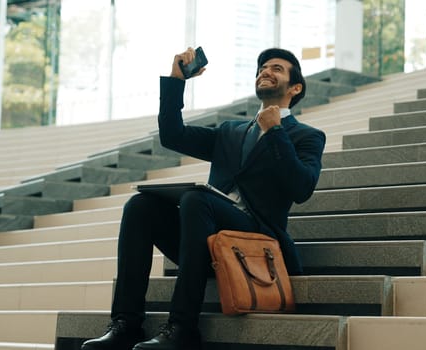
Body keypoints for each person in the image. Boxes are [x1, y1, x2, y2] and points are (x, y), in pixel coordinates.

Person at [80, 47, 326, 350]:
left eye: (276, 68)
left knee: (198, 198)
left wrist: (276, 131)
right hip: (206, 241)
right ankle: (126, 324)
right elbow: (172, 135)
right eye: (262, 67)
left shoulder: (307, 137)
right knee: (141, 206)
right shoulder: (230, 132)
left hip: (255, 243)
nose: (265, 71)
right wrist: (176, 80)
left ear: (295, 87)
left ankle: (183, 328)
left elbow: (302, 189)